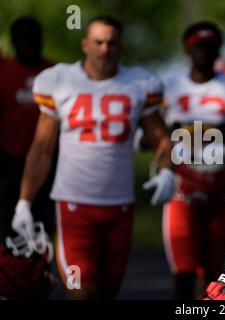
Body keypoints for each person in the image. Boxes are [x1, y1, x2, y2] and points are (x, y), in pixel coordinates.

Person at [10, 16, 175, 299]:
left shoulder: (139, 83)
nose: (104, 49)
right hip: (74, 206)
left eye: (111, 42)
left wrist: (167, 171)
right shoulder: (60, 81)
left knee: (108, 293)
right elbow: (41, 148)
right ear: (85, 45)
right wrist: (24, 201)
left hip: (120, 207)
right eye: (98, 42)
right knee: (81, 291)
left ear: (120, 47)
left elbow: (161, 139)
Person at [158, 21, 225, 299]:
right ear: (188, 50)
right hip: (182, 188)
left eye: (211, 47)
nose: (205, 53)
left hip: (221, 189)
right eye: (199, 47)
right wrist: (164, 167)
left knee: (217, 273)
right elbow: (150, 135)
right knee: (183, 271)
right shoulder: (168, 86)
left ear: (219, 51)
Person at [0, 17, 55, 239]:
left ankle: (41, 270)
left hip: (48, 161)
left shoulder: (55, 73)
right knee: (11, 225)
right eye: (22, 41)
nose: (28, 46)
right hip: (9, 162)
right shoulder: (4, 72)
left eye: (32, 40)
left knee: (43, 225)